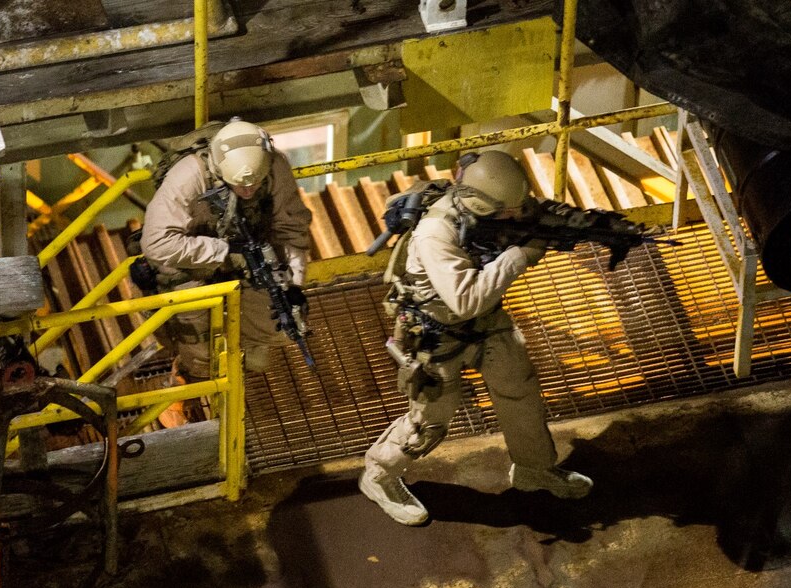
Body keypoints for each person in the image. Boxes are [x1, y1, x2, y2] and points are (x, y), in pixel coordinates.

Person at [359, 149, 593, 526]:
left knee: (520, 391)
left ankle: (534, 469)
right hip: (436, 333)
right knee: (431, 419)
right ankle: (379, 475)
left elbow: (531, 214)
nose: (516, 216)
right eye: (507, 212)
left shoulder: (496, 205)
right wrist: (519, 255)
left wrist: (571, 224)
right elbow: (466, 299)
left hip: (488, 322)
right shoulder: (436, 232)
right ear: (479, 203)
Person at [140, 118, 313, 380]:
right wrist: (223, 249)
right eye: (240, 185)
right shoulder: (189, 175)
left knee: (275, 323)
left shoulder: (273, 166)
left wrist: (294, 284)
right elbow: (156, 243)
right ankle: (194, 379)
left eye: (254, 184)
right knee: (198, 342)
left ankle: (246, 377)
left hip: (245, 255)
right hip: (189, 260)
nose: (248, 190)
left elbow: (291, 230)